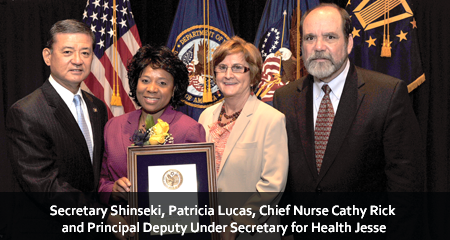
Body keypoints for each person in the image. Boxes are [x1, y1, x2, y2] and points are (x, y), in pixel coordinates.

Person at [273, 3, 424, 239]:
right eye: (310, 38)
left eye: (330, 37)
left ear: (349, 43)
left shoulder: (387, 94)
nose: (319, 47)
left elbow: (405, 188)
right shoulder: (284, 98)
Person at [6, 19, 131, 239]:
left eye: (85, 53)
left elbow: (95, 171)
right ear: (47, 56)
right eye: (67, 51)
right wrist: (103, 217)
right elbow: (46, 187)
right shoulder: (26, 112)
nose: (77, 60)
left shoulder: (97, 107)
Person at [198, 36, 289, 240]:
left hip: (249, 232)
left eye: (238, 68)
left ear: (253, 74)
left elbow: (272, 185)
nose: (228, 75)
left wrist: (236, 225)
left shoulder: (271, 119)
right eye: (222, 67)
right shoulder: (205, 116)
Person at [98, 44, 206, 204]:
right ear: (136, 83)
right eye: (145, 80)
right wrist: (111, 191)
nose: (152, 89)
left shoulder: (189, 129)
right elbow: (101, 181)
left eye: (162, 83)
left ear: (174, 88)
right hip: (120, 223)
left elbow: (199, 190)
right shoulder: (113, 126)